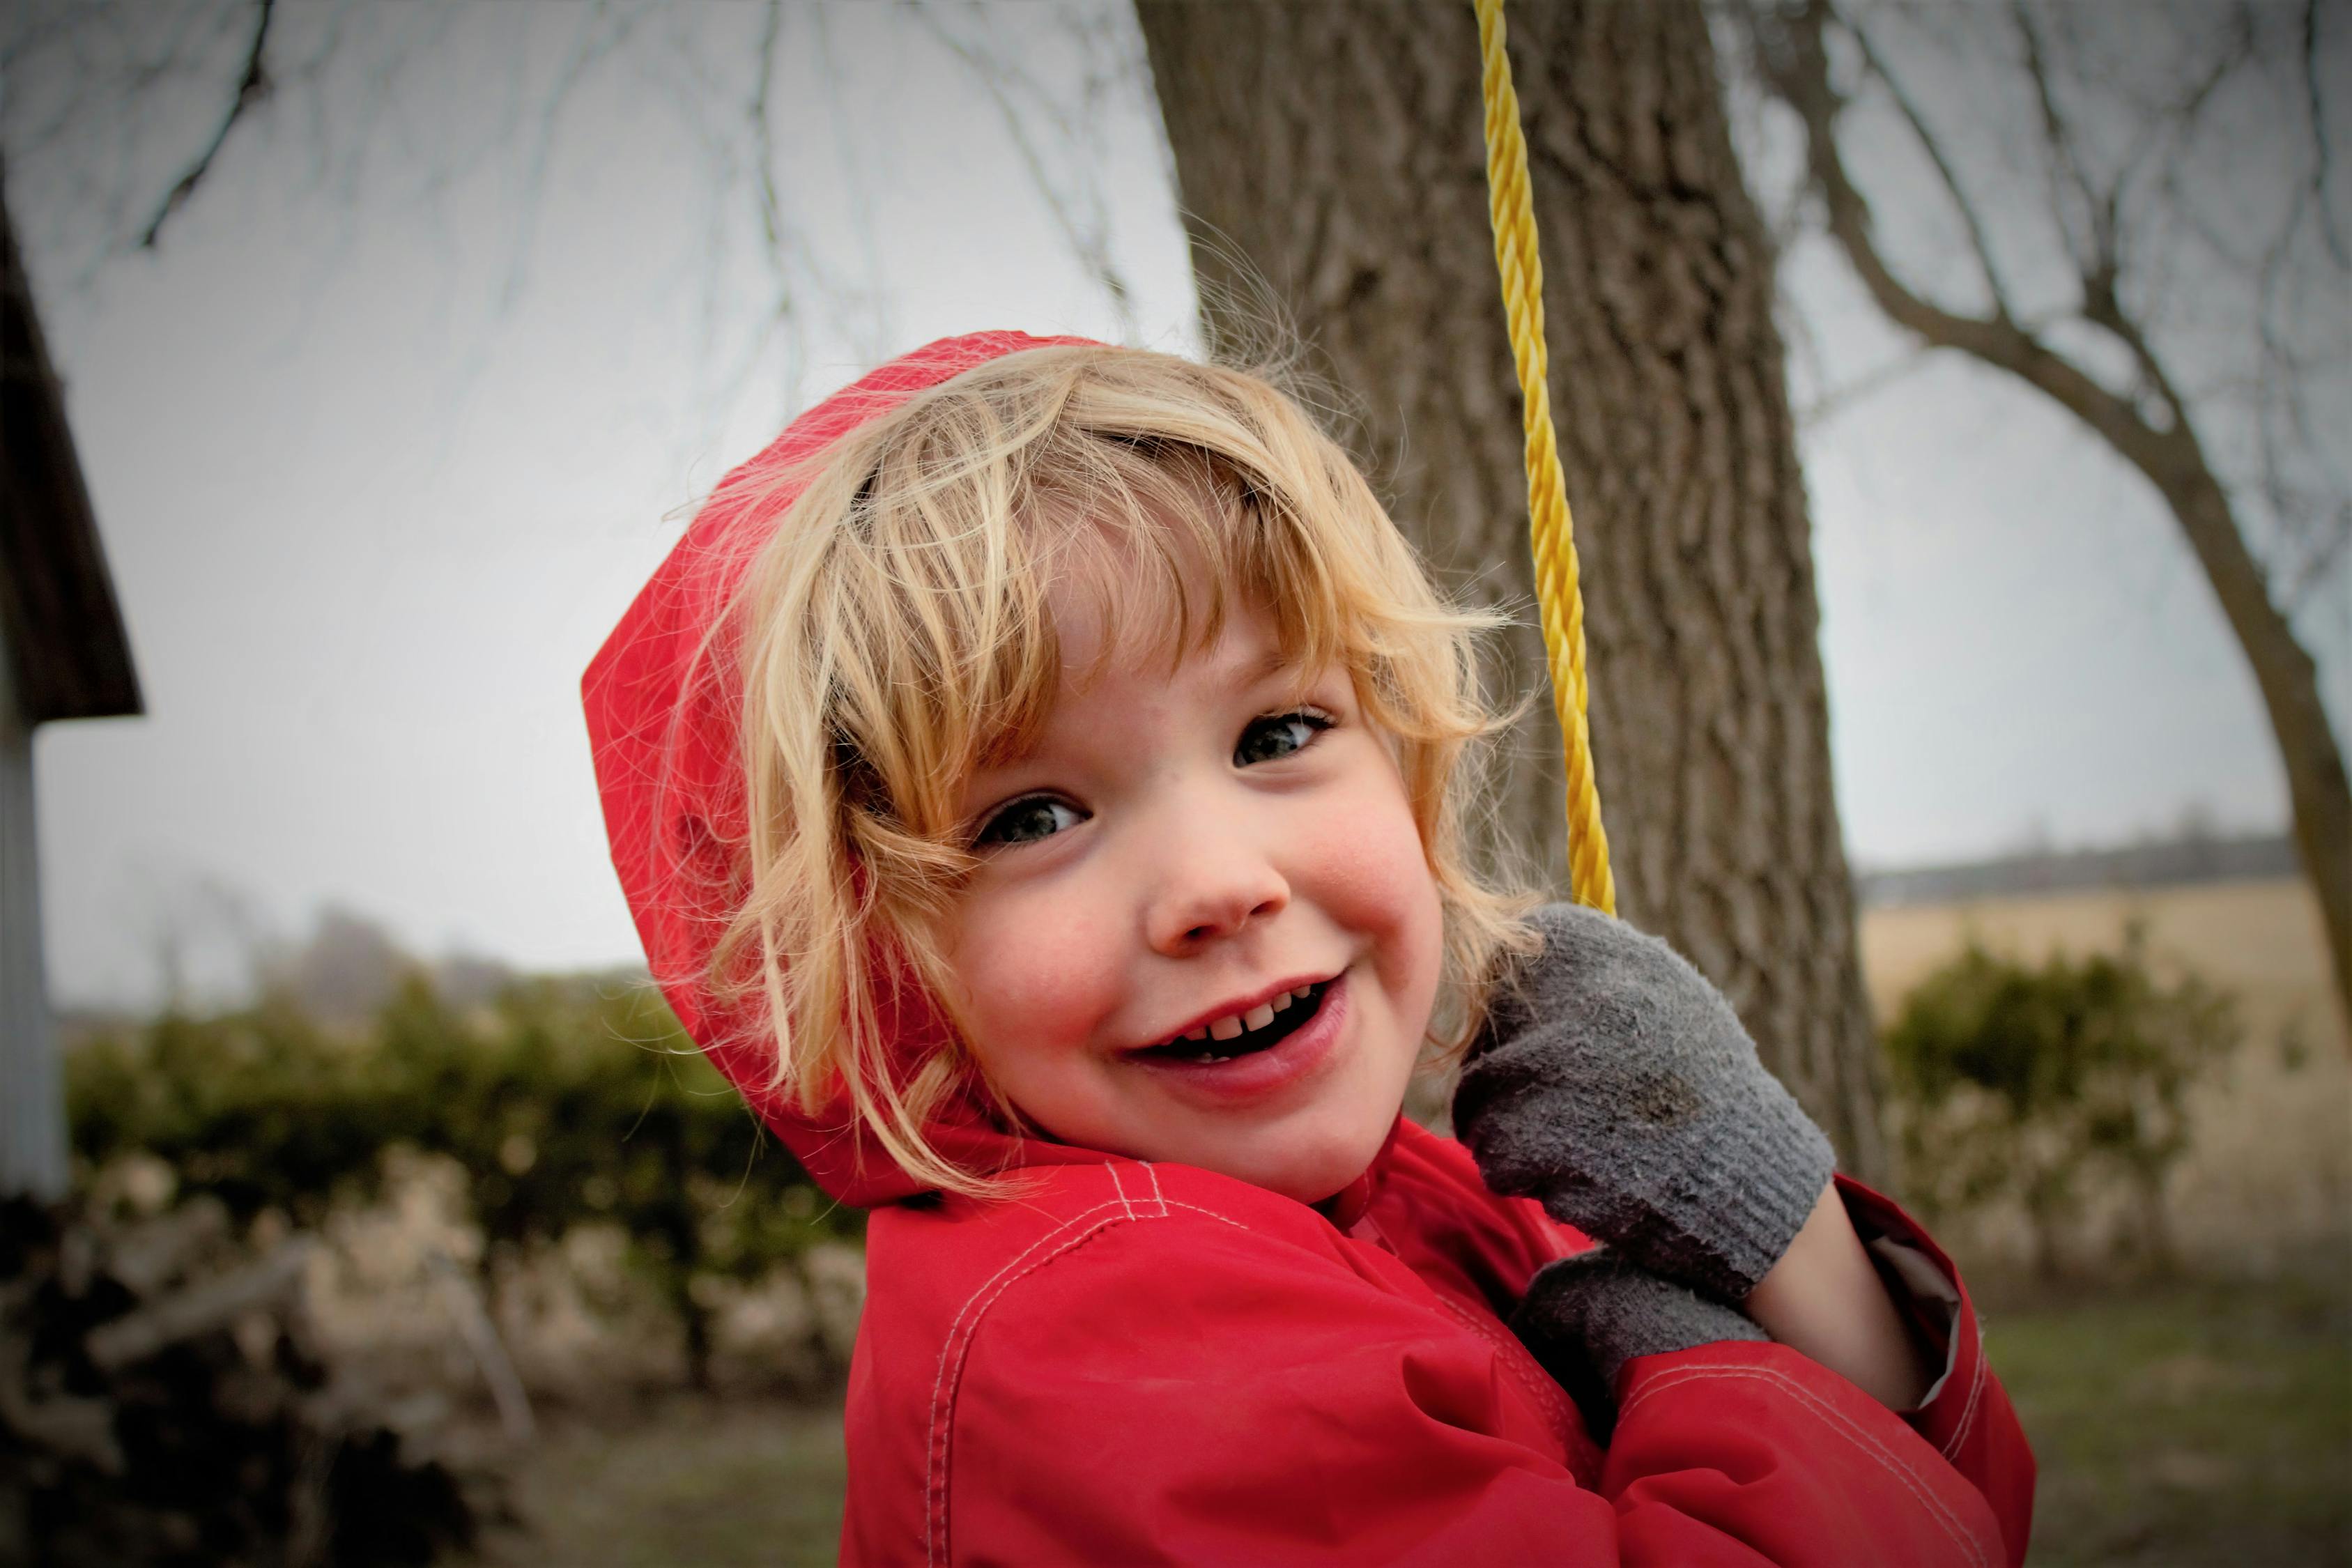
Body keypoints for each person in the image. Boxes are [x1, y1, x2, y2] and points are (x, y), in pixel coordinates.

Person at [584, 330, 2035, 1565]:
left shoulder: (1400, 1191)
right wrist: (1739, 1339)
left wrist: (1794, 1257)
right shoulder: (1114, 1343)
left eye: (1275, 734)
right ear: (877, 948)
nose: (1219, 883)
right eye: (1030, 816)